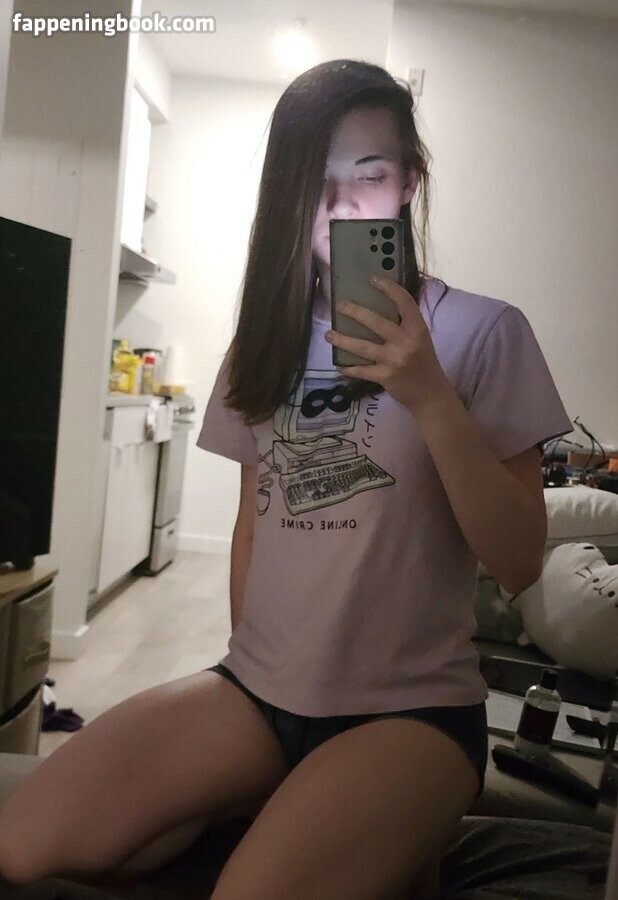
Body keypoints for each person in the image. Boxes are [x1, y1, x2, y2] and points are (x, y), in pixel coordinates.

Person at [0, 60, 573, 900]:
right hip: (257, 695)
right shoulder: (263, 340)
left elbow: (520, 559)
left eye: (369, 175)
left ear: (409, 182)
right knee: (23, 848)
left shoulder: (482, 332)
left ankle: (375, 829)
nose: (338, 204)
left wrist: (428, 395)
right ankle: (286, 812)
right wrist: (241, 691)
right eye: (313, 179)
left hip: (410, 712)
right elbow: (252, 527)